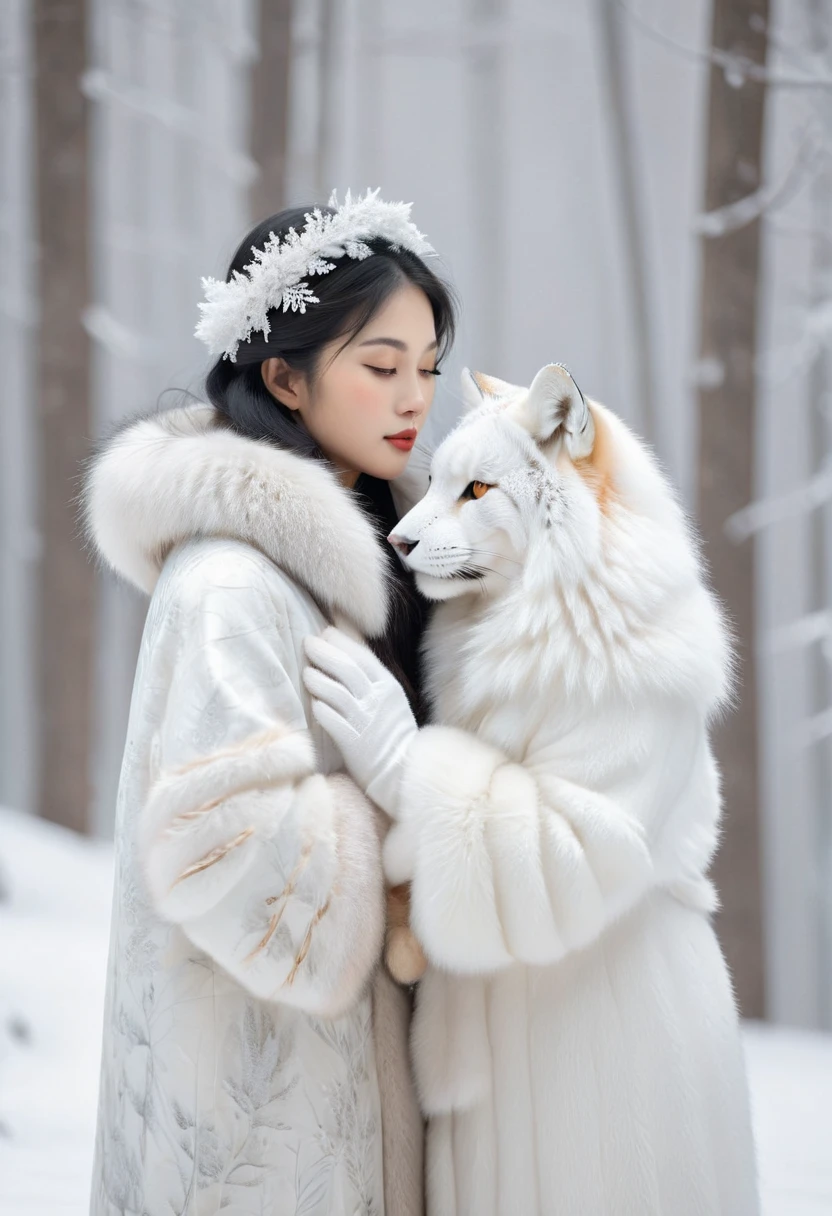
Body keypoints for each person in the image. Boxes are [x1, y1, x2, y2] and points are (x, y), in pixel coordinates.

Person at [305, 363, 760, 1214]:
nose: (411, 531)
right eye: (438, 489)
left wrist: (408, 772)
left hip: (608, 1051)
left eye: (472, 492)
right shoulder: (505, 631)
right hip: (505, 1049)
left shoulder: (644, 657)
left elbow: (585, 855)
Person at [83, 190, 456, 1216]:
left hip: (350, 1088)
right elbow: (219, 849)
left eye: (427, 367)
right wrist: (391, 802)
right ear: (283, 374)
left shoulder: (378, 555)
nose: (413, 396)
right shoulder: (233, 583)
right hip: (262, 1122)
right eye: (380, 367)